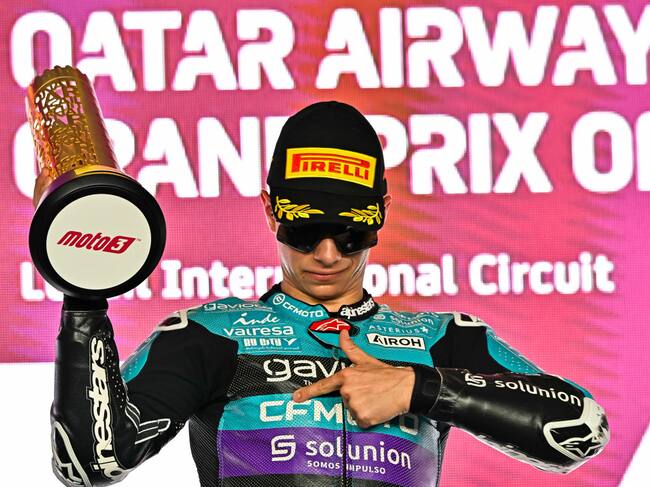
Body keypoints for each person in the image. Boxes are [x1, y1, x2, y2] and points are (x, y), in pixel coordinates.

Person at [38, 101, 609, 487]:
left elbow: (582, 430)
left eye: (352, 232)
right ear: (270, 212)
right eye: (306, 231)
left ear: (382, 214)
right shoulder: (210, 334)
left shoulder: (442, 339)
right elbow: (88, 465)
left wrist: (419, 387)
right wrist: (83, 297)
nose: (329, 254)